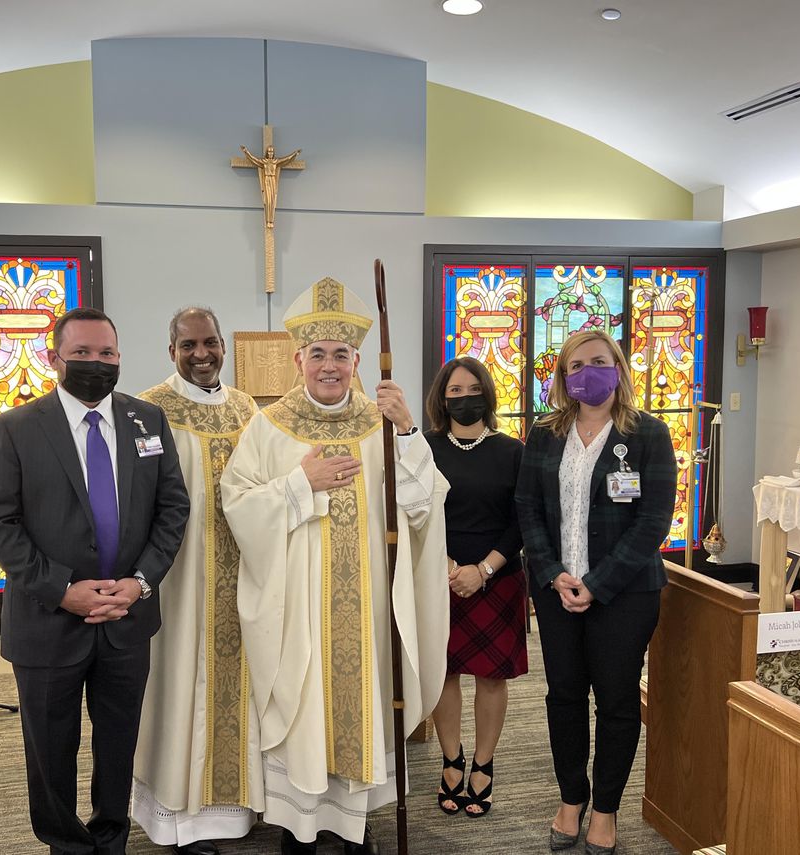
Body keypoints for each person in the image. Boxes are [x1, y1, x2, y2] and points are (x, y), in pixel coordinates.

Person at [221, 277, 450, 855]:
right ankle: (301, 829)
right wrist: (302, 483)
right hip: (295, 607)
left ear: (357, 361)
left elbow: (421, 504)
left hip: (366, 606)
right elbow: (238, 505)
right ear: (298, 359)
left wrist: (407, 429)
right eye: (318, 354)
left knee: (362, 708)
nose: (329, 365)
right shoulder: (268, 425)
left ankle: (354, 826)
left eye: (341, 355)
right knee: (303, 710)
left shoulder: (380, 422)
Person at [0, 307, 189, 855]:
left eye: (108, 354)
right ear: (55, 360)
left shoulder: (148, 421)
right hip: (48, 622)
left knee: (119, 747)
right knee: (51, 750)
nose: (97, 364)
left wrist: (140, 582)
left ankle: (111, 840)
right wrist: (61, 588)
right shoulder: (17, 428)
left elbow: (172, 511)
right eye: (83, 354)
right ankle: (65, 846)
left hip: (127, 617)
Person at [514, 329, 676, 855]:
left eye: (599, 362)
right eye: (576, 365)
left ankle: (605, 808)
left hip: (625, 595)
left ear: (618, 367)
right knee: (563, 696)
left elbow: (653, 522)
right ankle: (570, 798)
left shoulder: (648, 434)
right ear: (563, 376)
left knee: (617, 700)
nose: (588, 372)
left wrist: (598, 584)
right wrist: (554, 572)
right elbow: (528, 509)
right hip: (556, 591)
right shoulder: (545, 433)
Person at [133, 307, 262, 855]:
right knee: (177, 680)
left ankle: (236, 812)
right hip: (179, 575)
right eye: (188, 345)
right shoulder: (148, 409)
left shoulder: (247, 406)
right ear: (171, 351)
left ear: (223, 347)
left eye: (210, 343)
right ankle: (178, 818)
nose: (201, 354)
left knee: (243, 684)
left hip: (244, 570)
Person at [423, 357, 525, 819]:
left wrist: (482, 570)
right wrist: (446, 564)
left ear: (487, 392)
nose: (464, 399)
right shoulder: (423, 449)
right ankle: (451, 758)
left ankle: (483, 763)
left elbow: (523, 521)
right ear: (442, 400)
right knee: (443, 673)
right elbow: (416, 512)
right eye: (454, 392)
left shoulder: (512, 451)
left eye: (471, 389)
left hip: (497, 578)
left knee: (490, 675)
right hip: (438, 576)